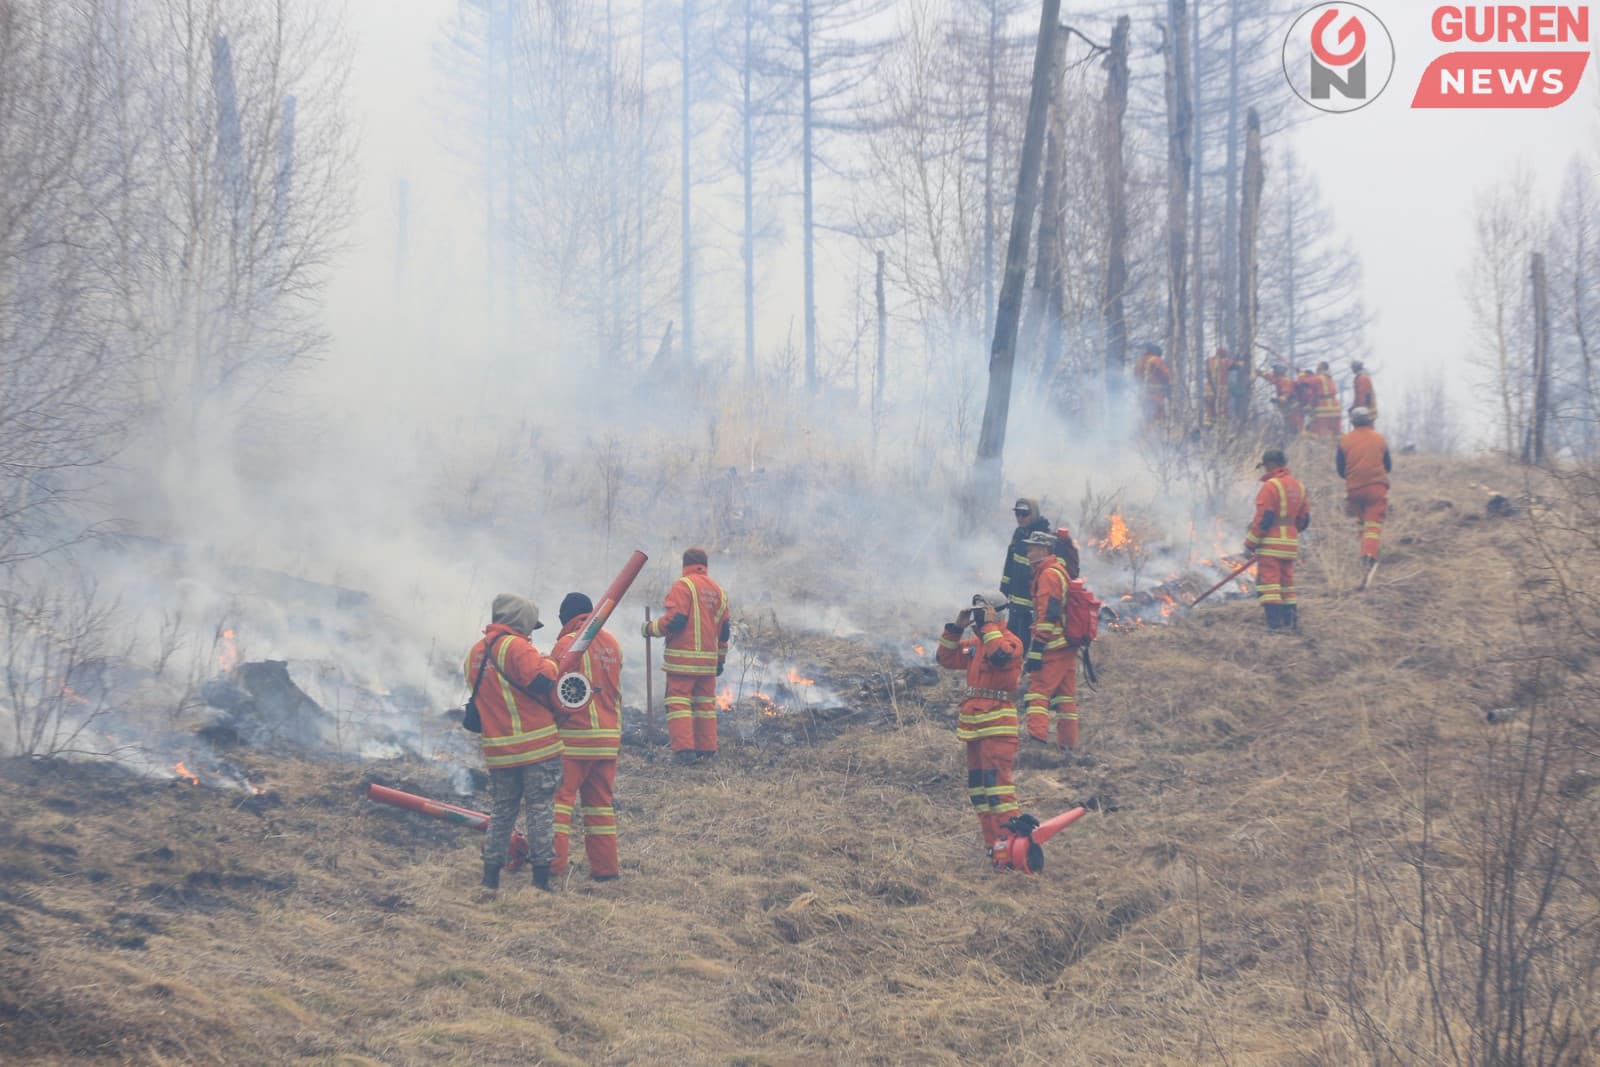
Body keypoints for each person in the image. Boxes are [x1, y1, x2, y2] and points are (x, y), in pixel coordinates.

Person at [464, 593, 563, 892]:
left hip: (499, 751)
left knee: (503, 811)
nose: (531, 632)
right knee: (540, 809)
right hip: (537, 748)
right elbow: (543, 681)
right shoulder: (518, 647)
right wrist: (552, 663)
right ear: (519, 621)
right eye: (530, 625)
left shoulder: (474, 654)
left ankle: (490, 877)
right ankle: (541, 880)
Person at [934, 594, 1022, 857]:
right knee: (979, 791)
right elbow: (945, 659)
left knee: (999, 791)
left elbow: (1000, 657)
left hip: (997, 728)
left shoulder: (1010, 643)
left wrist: (990, 626)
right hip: (974, 729)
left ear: (998, 615)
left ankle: (1013, 849)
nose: (980, 618)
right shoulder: (979, 644)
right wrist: (957, 627)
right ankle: (994, 848)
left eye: (985, 613)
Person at [550, 592, 623, 883]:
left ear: (566, 619)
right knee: (601, 808)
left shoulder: (567, 645)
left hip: (574, 741)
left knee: (560, 804)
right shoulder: (613, 644)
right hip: (608, 740)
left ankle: (553, 868)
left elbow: (552, 689)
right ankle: (606, 871)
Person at [642, 547, 731, 764]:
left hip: (682, 661)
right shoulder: (719, 591)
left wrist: (650, 628)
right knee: (705, 705)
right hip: (708, 663)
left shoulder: (684, 585)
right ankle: (707, 750)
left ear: (685, 565)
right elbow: (724, 630)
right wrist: (720, 660)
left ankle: (684, 752)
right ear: (705, 565)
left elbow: (676, 619)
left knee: (679, 702)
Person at [1021, 530, 1079, 751]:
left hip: (1053, 646)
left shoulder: (1048, 575)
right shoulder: (1057, 570)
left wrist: (1037, 649)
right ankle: (1068, 746)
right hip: (1065, 644)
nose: (1028, 552)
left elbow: (1048, 614)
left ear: (1044, 550)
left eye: (1032, 548)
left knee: (1037, 690)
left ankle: (1036, 743)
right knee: (1066, 698)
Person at [1244, 450, 1311, 631]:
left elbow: (1264, 518)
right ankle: (1291, 623)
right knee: (1287, 585)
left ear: (1271, 464)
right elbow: (1304, 520)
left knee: (1270, 584)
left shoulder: (1271, 486)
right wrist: (1289, 531)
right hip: (1290, 545)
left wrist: (1250, 543)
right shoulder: (1299, 486)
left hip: (1271, 545)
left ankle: (1275, 626)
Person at [1337, 407, 1392, 571]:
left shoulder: (1344, 441)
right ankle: (1369, 555)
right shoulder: (1379, 438)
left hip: (1353, 489)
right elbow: (1387, 465)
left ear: (1352, 422)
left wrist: (1353, 478)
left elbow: (1340, 469)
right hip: (1376, 487)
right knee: (1373, 523)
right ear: (1370, 420)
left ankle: (1364, 551)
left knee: (1362, 522)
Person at [999, 498, 1051, 656]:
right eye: (1018, 514)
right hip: (1015, 600)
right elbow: (1010, 563)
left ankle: (1024, 669)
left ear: (1033, 514)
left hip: (1031, 603)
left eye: (1025, 514)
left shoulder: (1042, 538)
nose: (1020, 518)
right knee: (1011, 638)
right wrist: (1004, 590)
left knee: (1025, 641)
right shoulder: (1018, 533)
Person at [1133, 342, 1172, 425]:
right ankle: (1157, 437)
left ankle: (1144, 436)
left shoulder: (1139, 362)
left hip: (1142, 396)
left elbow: (1135, 379)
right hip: (1156, 396)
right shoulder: (1156, 360)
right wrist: (1170, 389)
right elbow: (1166, 376)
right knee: (1158, 419)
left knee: (1145, 419)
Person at [1257, 363, 1298, 434]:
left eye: (1275, 371)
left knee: (1291, 426)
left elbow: (1286, 394)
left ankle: (1292, 438)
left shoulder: (1285, 381)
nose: (1273, 372)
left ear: (1279, 372)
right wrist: (1260, 373)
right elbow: (1269, 377)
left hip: (1290, 408)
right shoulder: (1279, 379)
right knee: (1288, 424)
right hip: (1286, 408)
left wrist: (1278, 399)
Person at [1204, 345, 1237, 427]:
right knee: (1222, 409)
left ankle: (1209, 427)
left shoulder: (1210, 361)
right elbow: (1235, 365)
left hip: (1208, 390)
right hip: (1220, 389)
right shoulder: (1224, 361)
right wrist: (1242, 361)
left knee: (1210, 409)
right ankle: (1222, 427)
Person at [1309, 361, 1342, 436]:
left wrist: (1304, 375)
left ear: (1320, 368)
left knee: (1322, 433)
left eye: (1317, 367)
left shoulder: (1317, 378)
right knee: (1336, 433)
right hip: (1336, 408)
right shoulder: (1330, 378)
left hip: (1323, 409)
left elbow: (1309, 385)